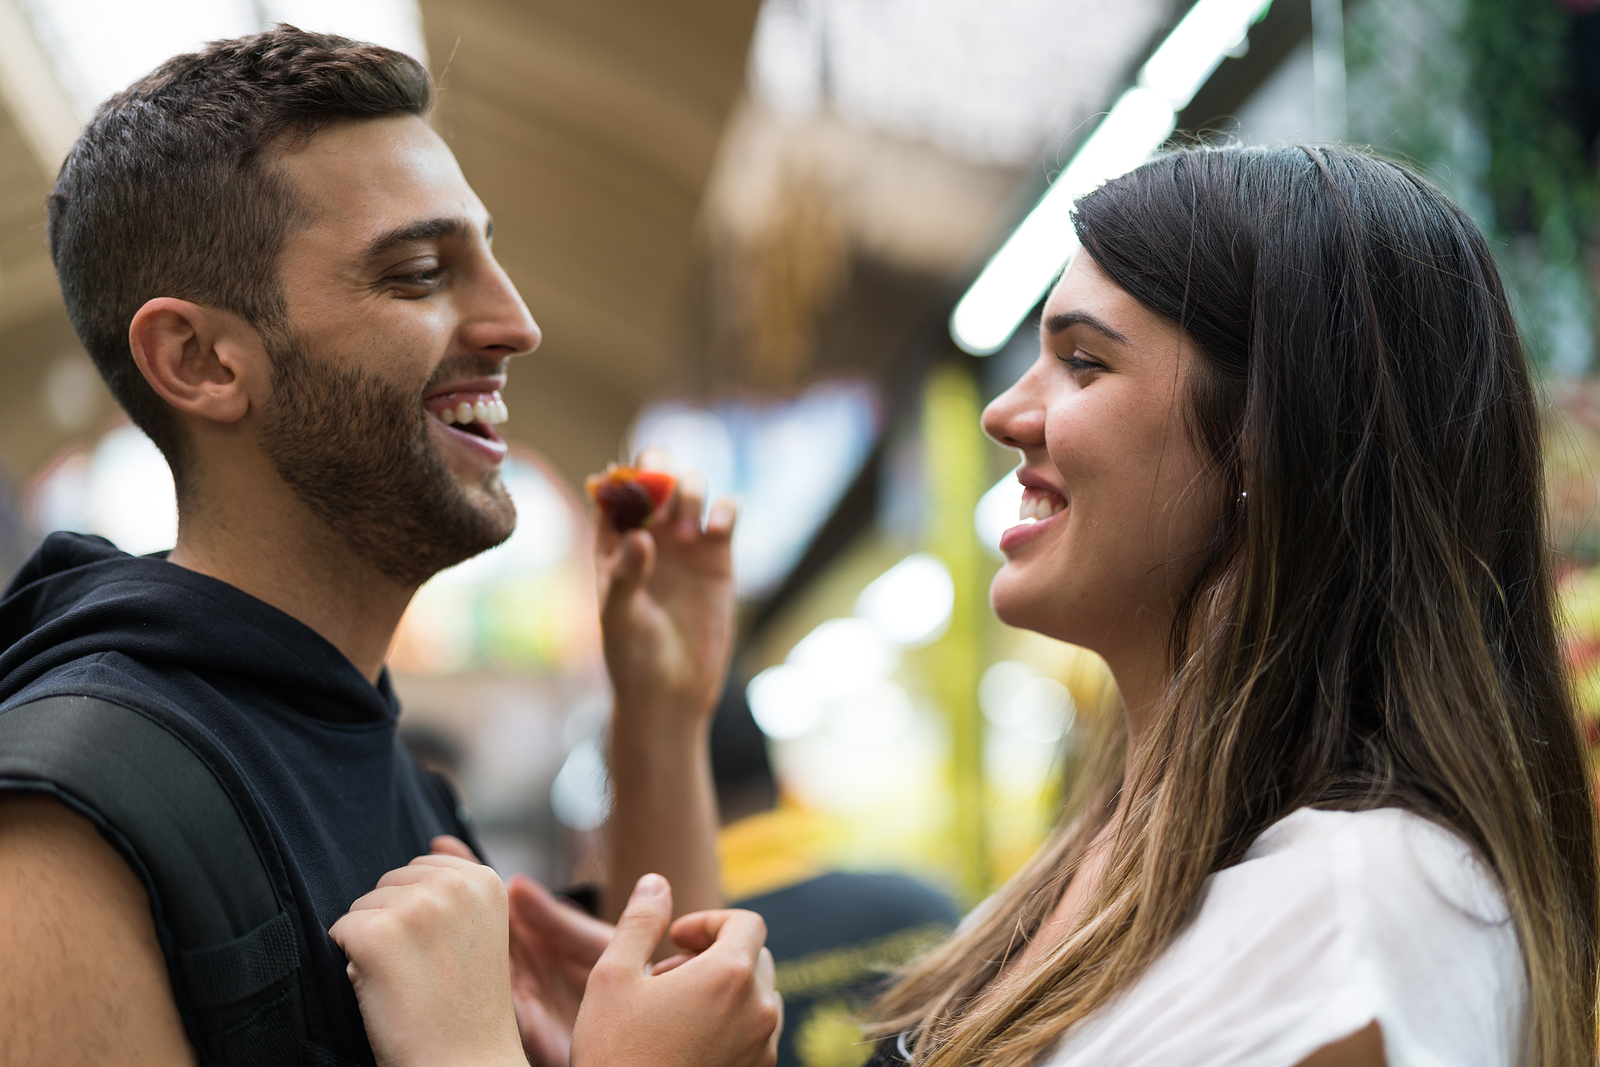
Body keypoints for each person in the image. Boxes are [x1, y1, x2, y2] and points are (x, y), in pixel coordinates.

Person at [332, 143, 1600, 1067]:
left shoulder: (1358, 907)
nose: (1008, 409)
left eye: (1084, 359)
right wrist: (665, 719)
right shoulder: (1124, 862)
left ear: (1273, 432)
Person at [0, 26, 774, 1067]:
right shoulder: (74, 816)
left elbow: (643, 992)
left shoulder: (369, 747)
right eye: (418, 272)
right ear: (199, 359)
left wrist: (660, 718)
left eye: (491, 258)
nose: (518, 322)